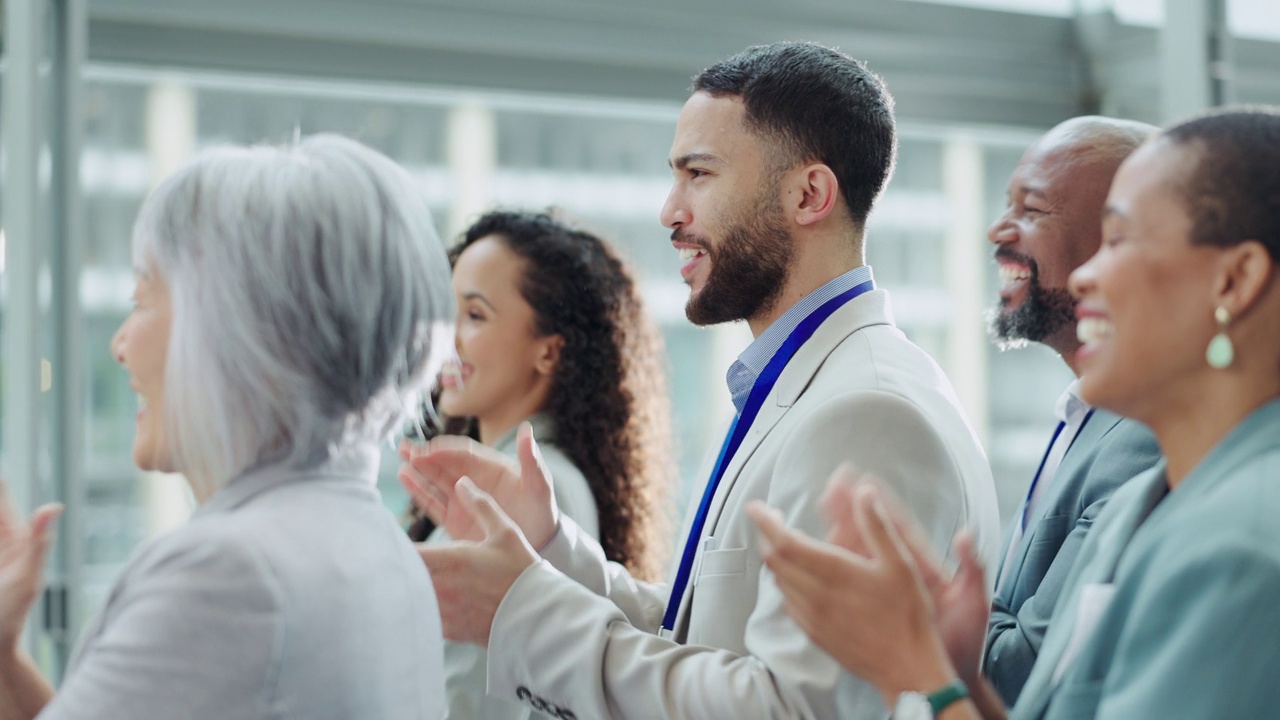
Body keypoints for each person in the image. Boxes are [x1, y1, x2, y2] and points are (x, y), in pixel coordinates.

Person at [402, 41, 1000, 719]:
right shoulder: (813, 385)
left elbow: (791, 710)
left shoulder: (867, 411)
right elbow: (707, 633)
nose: (669, 211)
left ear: (809, 194)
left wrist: (522, 615)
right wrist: (549, 548)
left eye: (699, 175)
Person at [749, 107, 1280, 719]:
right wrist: (960, 669)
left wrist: (916, 668)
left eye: (1119, 241)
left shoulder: (1244, 548)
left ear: (1233, 281)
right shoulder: (1144, 507)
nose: (1086, 278)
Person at [0, 135, 452, 719]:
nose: (119, 346)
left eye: (141, 302)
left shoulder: (228, 573)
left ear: (238, 332)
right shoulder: (382, 549)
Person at [400, 210, 675, 718]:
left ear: (549, 352)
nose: (448, 338)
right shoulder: (495, 480)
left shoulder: (545, 492)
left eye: (475, 316)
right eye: (447, 312)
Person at [982, 117, 1162, 703]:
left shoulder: (1145, 437)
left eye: (1030, 210)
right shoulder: (1084, 412)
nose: (996, 231)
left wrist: (912, 608)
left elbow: (1022, 673)